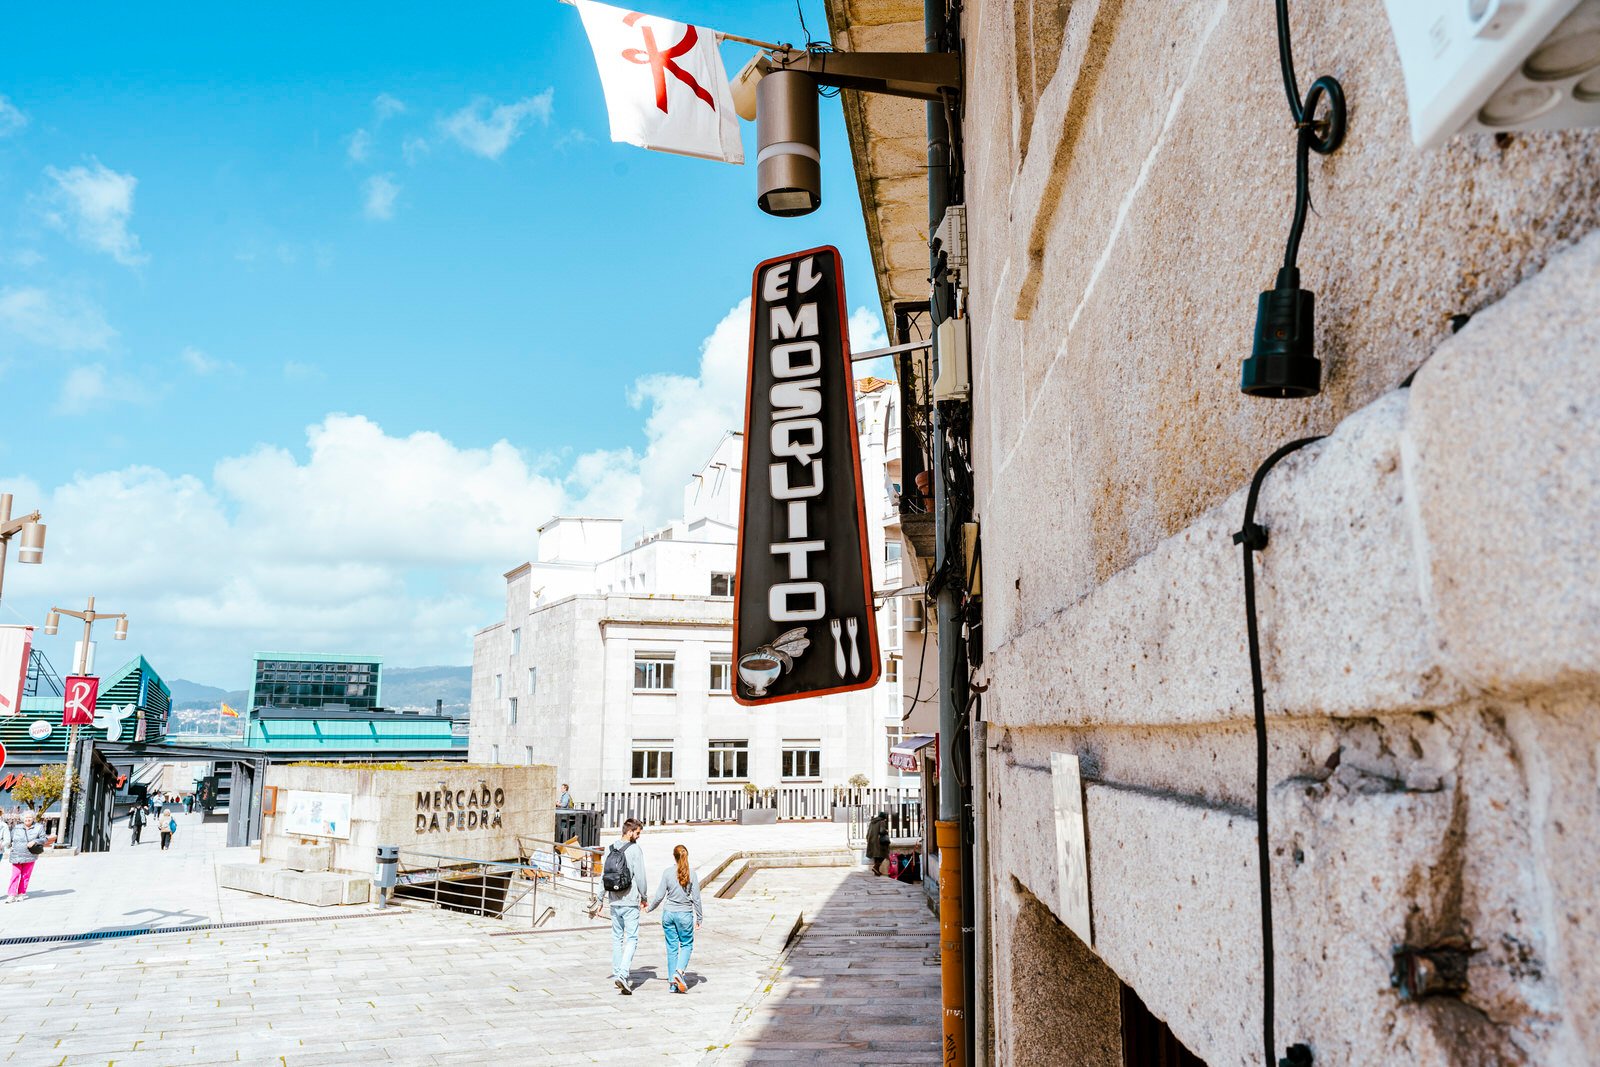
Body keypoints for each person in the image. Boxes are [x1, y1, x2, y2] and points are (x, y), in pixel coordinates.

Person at [646, 844, 704, 994]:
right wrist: (700, 917)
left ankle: (673, 984)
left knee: (672, 948)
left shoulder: (667, 873)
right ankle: (679, 972)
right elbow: (696, 898)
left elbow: (659, 896)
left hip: (668, 914)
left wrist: (650, 908)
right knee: (686, 944)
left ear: (674, 856)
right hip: (684, 914)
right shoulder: (692, 874)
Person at [604, 818, 647, 994]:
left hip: (613, 900)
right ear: (629, 832)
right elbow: (641, 877)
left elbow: (603, 876)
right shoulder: (635, 850)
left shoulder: (611, 848)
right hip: (629, 900)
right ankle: (623, 973)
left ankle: (617, 973)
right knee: (632, 939)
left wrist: (600, 899)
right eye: (637, 833)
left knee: (616, 938)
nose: (638, 837)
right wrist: (644, 896)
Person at [6, 810, 54, 903]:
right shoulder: (17, 827)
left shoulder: (38, 827)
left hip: (30, 855)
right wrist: (10, 846)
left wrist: (35, 841)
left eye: (30, 817)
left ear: (33, 819)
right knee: (15, 875)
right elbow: (11, 838)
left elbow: (44, 839)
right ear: (23, 818)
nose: (28, 819)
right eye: (26, 817)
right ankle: (11, 895)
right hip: (16, 854)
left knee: (25, 875)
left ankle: (21, 893)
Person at [866, 811, 891, 876]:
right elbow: (882, 831)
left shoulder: (872, 822)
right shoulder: (882, 821)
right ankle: (875, 867)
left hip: (871, 840)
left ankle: (876, 871)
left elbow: (868, 831)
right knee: (883, 855)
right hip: (878, 841)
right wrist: (886, 831)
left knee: (876, 856)